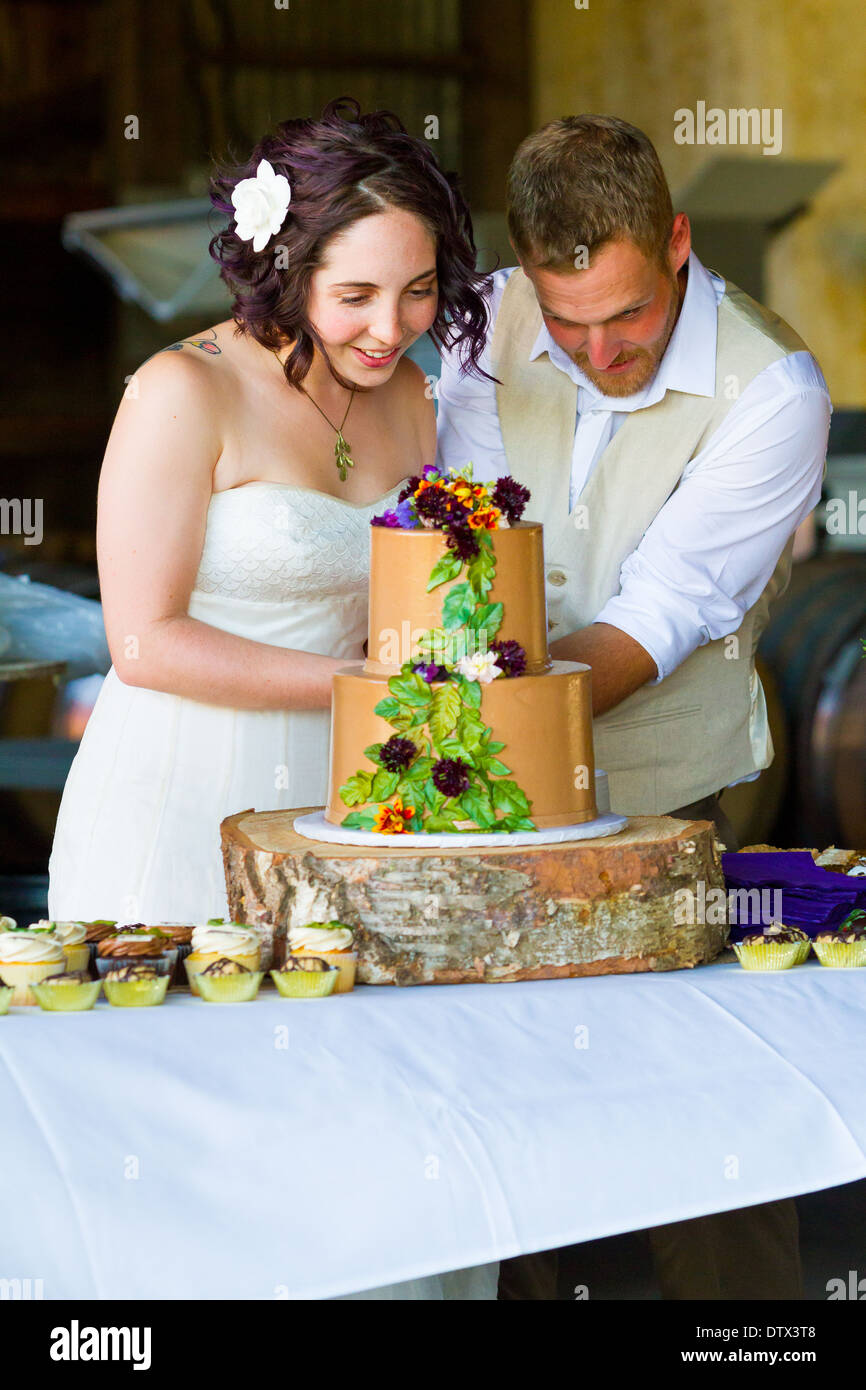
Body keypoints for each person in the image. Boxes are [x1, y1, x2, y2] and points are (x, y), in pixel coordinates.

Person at [47, 96, 498, 1300]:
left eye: (415, 291)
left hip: (345, 811)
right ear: (280, 263)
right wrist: (359, 681)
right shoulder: (179, 392)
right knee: (202, 1155)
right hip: (180, 799)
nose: (390, 326)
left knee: (350, 1141)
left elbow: (407, 597)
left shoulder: (413, 402)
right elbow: (139, 640)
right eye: (354, 295)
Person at [435, 114, 831, 1300]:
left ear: (675, 243)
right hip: (476, 799)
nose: (599, 352)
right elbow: (457, 527)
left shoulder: (774, 389)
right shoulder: (483, 321)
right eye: (567, 324)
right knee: (496, 1100)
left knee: (704, 1114)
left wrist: (466, 726)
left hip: (668, 790)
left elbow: (660, 612)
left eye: (627, 319)